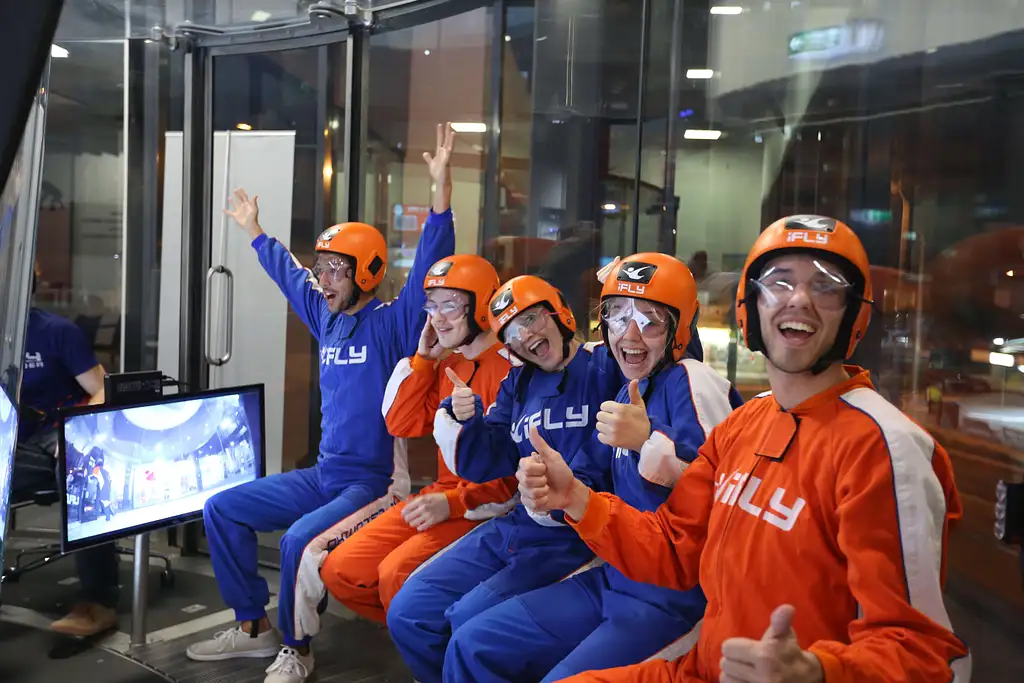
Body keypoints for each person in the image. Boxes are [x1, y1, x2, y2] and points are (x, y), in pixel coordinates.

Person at [518, 215, 972, 683]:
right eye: (779, 283)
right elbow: (674, 549)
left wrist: (818, 672)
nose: (798, 298)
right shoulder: (744, 424)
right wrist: (575, 497)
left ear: (854, 313)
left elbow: (922, 651)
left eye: (826, 286)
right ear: (749, 308)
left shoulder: (888, 448)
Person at [184, 124, 458, 683]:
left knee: (294, 541)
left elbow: (432, 260)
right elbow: (290, 278)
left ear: (367, 273)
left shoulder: (393, 324)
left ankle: (297, 647)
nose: (323, 277)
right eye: (322, 265)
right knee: (223, 509)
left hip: (374, 483)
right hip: (325, 474)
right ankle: (253, 628)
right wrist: (257, 233)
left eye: (336, 268)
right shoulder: (327, 321)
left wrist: (440, 199)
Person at [443, 253, 743, 682]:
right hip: (614, 576)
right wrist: (547, 493)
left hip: (674, 598)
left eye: (651, 319)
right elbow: (585, 474)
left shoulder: (692, 380)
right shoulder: (624, 394)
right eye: (618, 317)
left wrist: (649, 440)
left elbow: (725, 495)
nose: (631, 333)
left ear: (678, 329)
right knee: (472, 644)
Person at [385, 274, 625, 683]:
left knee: (467, 624)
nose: (525, 334)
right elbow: (486, 460)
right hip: (515, 527)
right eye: (512, 330)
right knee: (409, 611)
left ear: (559, 313)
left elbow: (662, 364)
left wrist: (623, 302)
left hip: (575, 537)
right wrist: (465, 420)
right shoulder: (518, 383)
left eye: (531, 318)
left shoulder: (605, 364)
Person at [318, 254, 517, 623]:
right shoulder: (448, 363)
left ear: (482, 305)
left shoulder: (513, 369)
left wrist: (455, 503)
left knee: (395, 577)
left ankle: (435, 651)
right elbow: (401, 423)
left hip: (486, 509)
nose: (437, 318)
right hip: (441, 496)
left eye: (451, 306)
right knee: (340, 570)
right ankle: (419, 638)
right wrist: (424, 359)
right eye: (432, 306)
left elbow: (516, 476)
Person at [12, 265, 117, 637]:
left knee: (79, 467)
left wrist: (75, 432)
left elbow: (102, 389)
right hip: (12, 444)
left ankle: (97, 601)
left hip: (55, 436)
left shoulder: (56, 332)